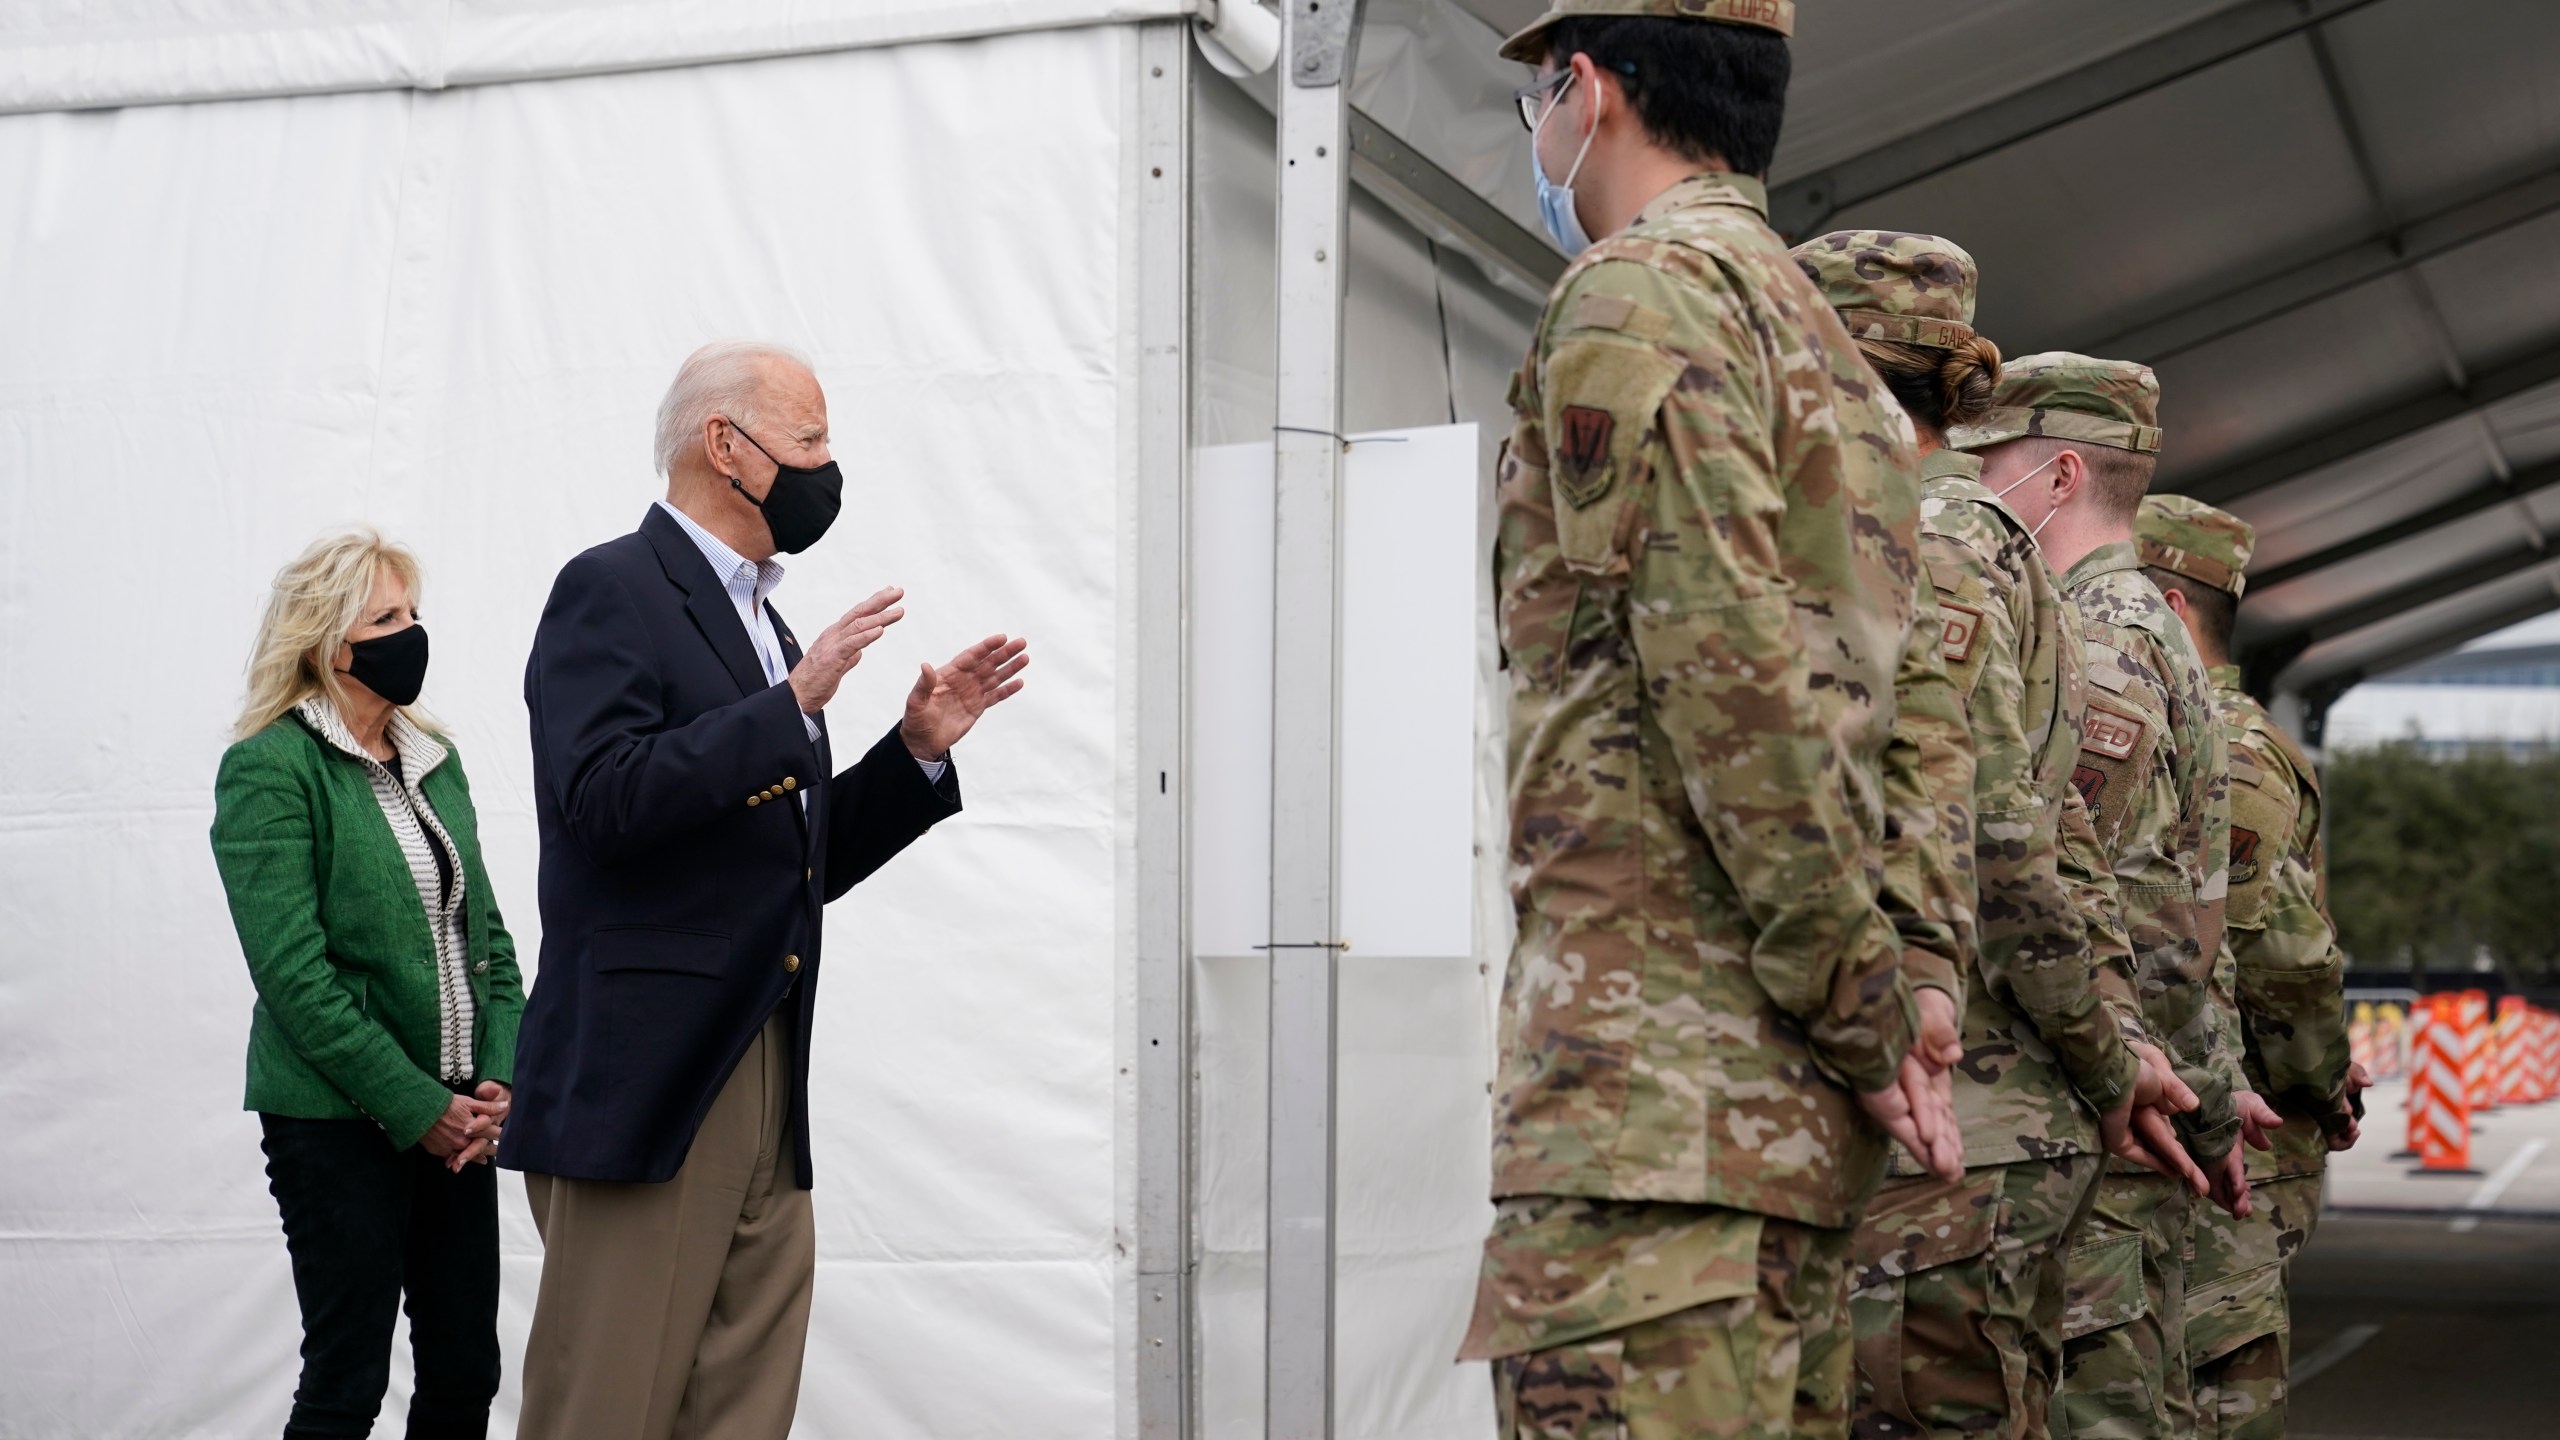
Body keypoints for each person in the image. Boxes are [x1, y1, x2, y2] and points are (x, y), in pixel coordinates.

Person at [1456, 7, 1961, 1436]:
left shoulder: (1640, 296)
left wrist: (1871, 1019)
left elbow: (1733, 692)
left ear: (1591, 89)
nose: (1543, 134)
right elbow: (1920, 715)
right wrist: (1908, 993)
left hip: (1654, 1126)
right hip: (1768, 1135)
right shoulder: (1834, 356)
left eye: (1542, 96)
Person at [504, 340, 1029, 1440]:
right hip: (647, 1081)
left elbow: (792, 863)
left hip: (764, 1069)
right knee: (607, 1405)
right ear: (725, 447)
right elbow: (602, 799)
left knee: (742, 1405)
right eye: (809, 441)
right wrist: (787, 703)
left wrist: (913, 750)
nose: (826, 466)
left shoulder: (768, 623)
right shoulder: (610, 588)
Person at [1791, 236, 2209, 1439]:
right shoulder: (1996, 549)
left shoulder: (1934, 543)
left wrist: (2101, 1050)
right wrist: (2115, 1044)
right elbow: (2062, 826)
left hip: (1954, 1115)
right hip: (1993, 1119)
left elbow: (1995, 827)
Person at [1948, 356, 2249, 1439]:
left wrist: (2156, 1082)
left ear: (2061, 474)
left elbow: (2118, 902)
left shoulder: (2095, 637)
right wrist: (2206, 1092)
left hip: (2095, 1108)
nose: (1969, 491)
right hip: (2135, 1097)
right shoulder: (2157, 633)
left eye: (1987, 464)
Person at [210, 530, 524, 1440]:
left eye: (414, 614)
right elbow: (294, 978)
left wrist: (493, 1076)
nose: (412, 632)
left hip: (459, 1122)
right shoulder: (270, 767)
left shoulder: (434, 758)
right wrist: (414, 1104)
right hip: (335, 1122)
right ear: (327, 641)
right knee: (347, 1375)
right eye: (388, 618)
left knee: (467, 1368)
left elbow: (488, 939)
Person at [2135, 496, 2363, 1440]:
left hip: (2239, 1135)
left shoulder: (2230, 750)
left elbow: (2276, 948)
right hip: (2195, 1120)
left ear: (2173, 611)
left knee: (2214, 1377)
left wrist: (2320, 1078)